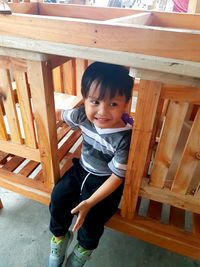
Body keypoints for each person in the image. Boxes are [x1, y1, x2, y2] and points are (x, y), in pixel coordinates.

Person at [48, 62, 134, 267]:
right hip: (81, 169)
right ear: (84, 98)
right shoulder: (81, 116)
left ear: (126, 103)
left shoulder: (125, 137)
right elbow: (60, 114)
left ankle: (83, 250)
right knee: (58, 196)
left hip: (105, 182)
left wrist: (89, 202)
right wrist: (38, 111)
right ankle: (59, 237)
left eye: (113, 104)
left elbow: (117, 177)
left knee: (94, 218)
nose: (102, 111)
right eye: (95, 101)